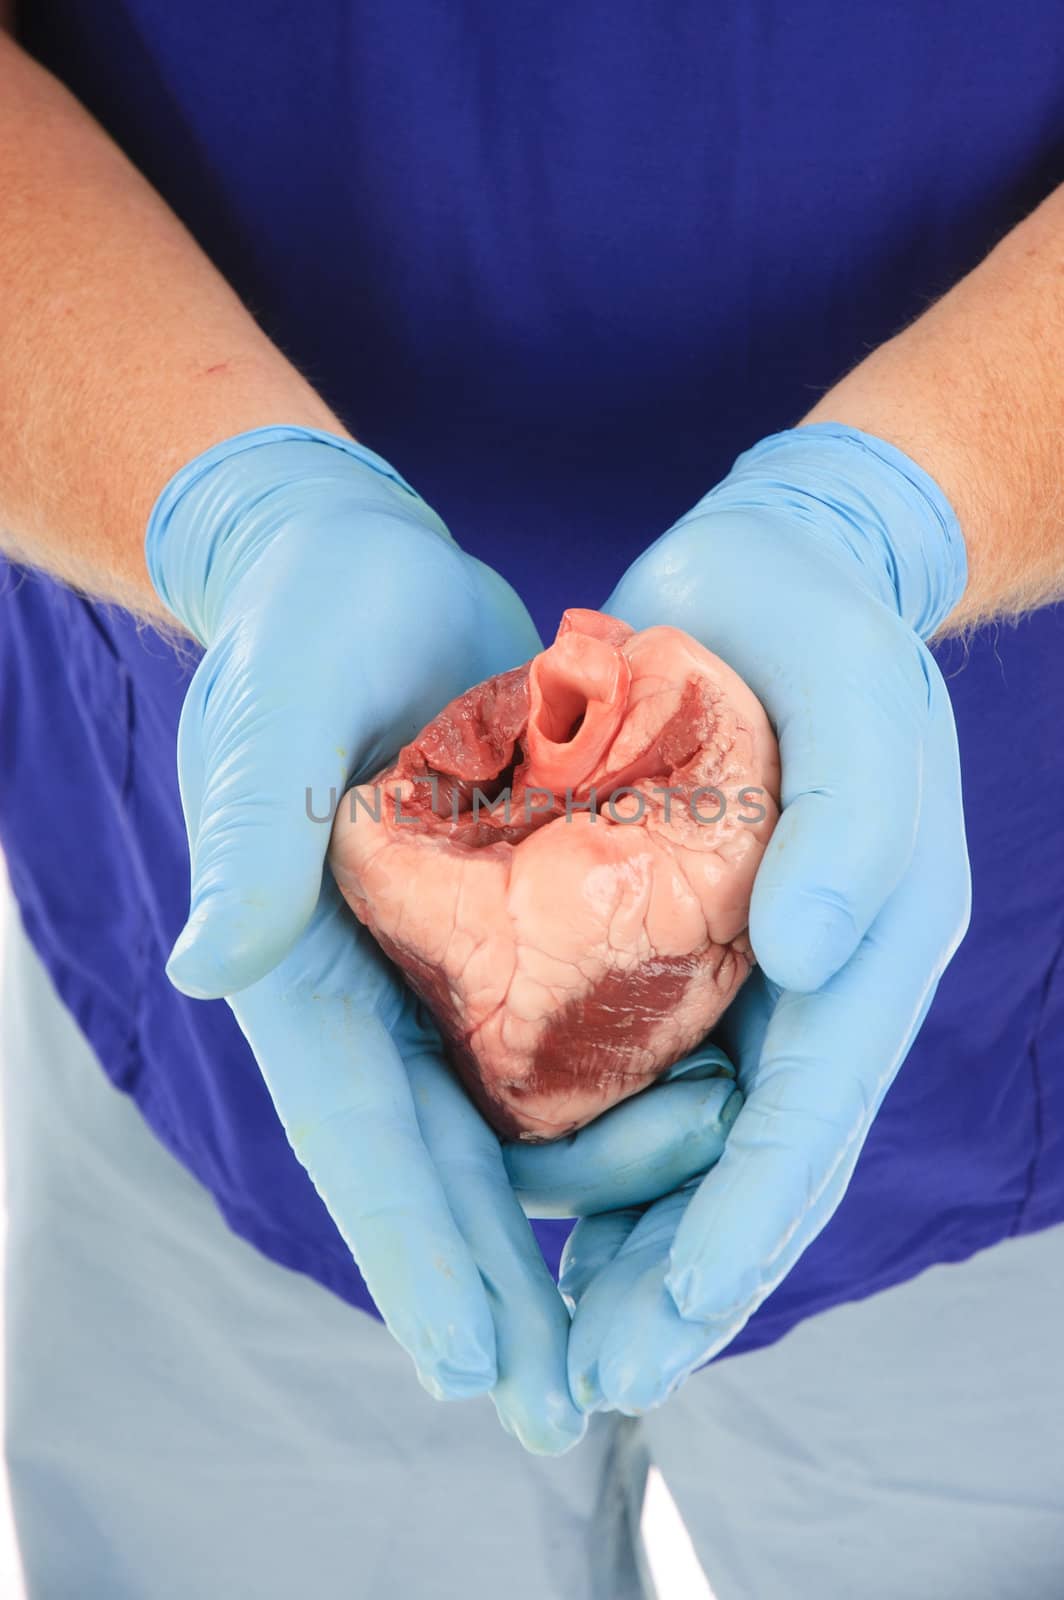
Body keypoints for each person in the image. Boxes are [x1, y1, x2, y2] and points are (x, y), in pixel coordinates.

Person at [0, 4, 1062, 1595]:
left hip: (1019, 1077)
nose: (576, 647)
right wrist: (221, 502)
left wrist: (913, 504)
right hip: (189, 916)